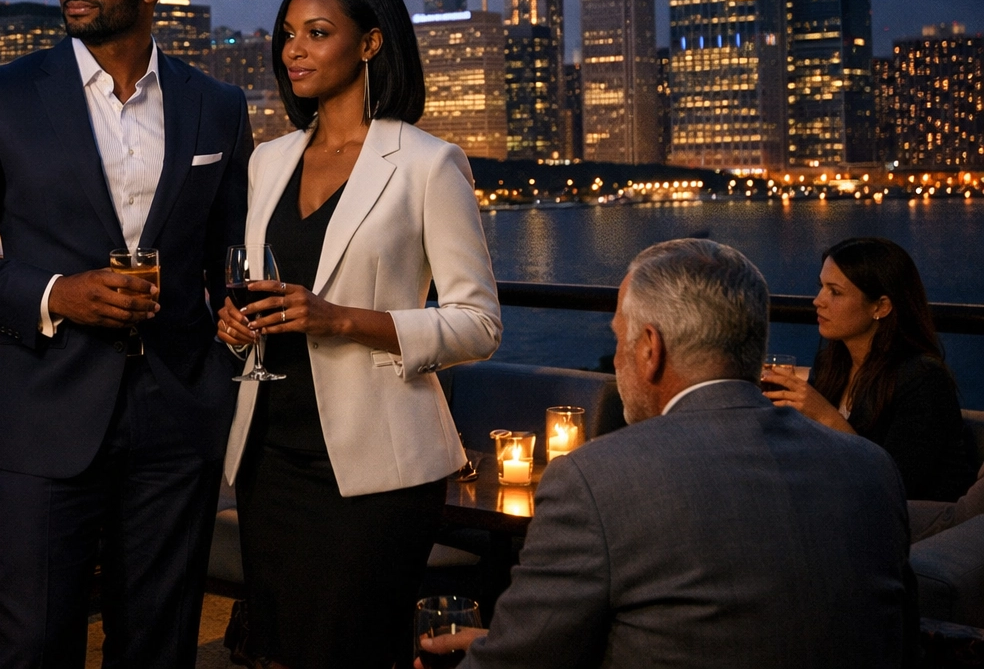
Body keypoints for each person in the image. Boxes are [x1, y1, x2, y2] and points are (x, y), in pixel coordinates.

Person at [0, 0, 252, 669]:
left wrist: (229, 354)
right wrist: (54, 294)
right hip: (45, 408)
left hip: (179, 415)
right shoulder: (1, 95)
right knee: (33, 642)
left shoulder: (217, 106)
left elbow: (232, 260)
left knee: (159, 644)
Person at [419, 238, 913, 669]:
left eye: (620, 338)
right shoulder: (869, 467)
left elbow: (519, 661)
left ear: (650, 348)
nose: (617, 358)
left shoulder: (597, 479)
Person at [215, 0, 502, 669]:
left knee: (351, 651)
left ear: (371, 43)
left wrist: (341, 319)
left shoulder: (428, 164)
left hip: (379, 468)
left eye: (317, 33)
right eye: (288, 34)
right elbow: (256, 286)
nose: (294, 49)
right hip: (267, 457)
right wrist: (233, 324)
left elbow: (479, 323)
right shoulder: (268, 161)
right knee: (276, 653)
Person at [764, 236, 977, 501]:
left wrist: (825, 416)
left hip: (918, 517)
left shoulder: (922, 378)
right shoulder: (831, 364)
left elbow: (895, 484)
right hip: (841, 504)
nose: (818, 301)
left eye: (835, 292)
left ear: (881, 306)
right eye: (821, 287)